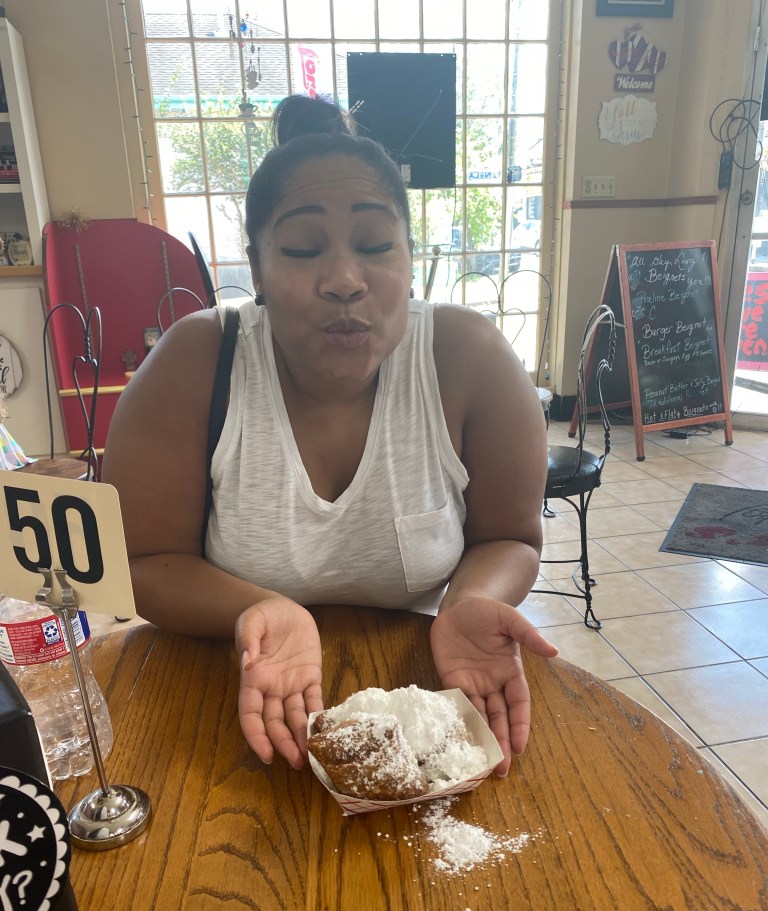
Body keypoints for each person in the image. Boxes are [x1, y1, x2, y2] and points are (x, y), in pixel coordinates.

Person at [101, 94, 558, 779]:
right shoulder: (195, 363)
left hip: (424, 684)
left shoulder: (470, 360)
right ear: (257, 270)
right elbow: (141, 561)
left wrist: (468, 603)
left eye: (375, 246)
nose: (345, 280)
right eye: (301, 249)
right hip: (226, 694)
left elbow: (511, 537)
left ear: (410, 259)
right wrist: (261, 609)